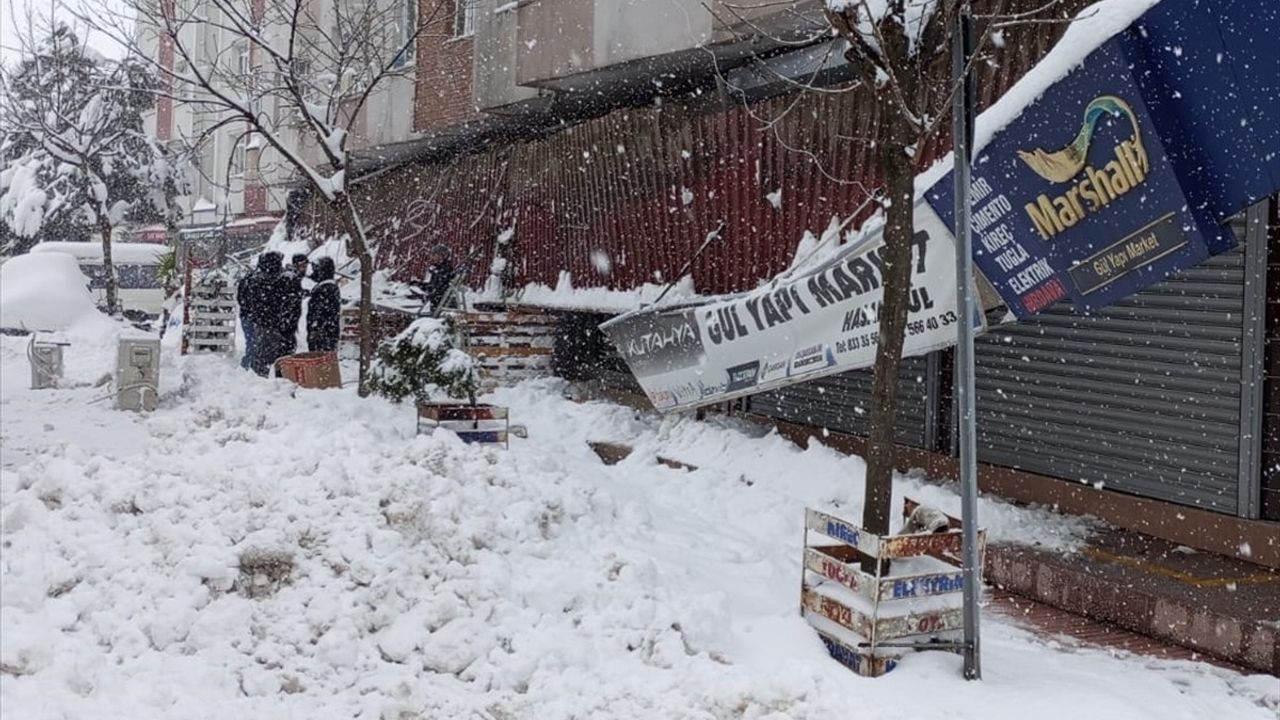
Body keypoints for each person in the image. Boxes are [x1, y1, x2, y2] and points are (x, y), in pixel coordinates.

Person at [240, 252, 296, 376]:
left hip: (261, 321)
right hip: (276, 322)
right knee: (278, 352)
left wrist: (253, 312)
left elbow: (245, 299)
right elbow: (290, 301)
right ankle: (278, 376)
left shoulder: (254, 280)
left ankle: (257, 374)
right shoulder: (284, 279)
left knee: (258, 349)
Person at [306, 257, 342, 353]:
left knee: (320, 357)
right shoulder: (328, 287)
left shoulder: (325, 289)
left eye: (316, 270)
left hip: (323, 334)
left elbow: (320, 312)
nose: (313, 273)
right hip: (327, 332)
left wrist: (315, 329)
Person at [411, 244, 456, 313]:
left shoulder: (443, 270)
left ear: (442, 256)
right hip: (438, 299)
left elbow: (434, 288)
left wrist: (419, 285)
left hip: (437, 301)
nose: (432, 256)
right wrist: (418, 284)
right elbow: (435, 286)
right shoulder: (443, 268)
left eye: (434, 254)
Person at [280, 253, 308, 356]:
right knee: (288, 343)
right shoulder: (291, 277)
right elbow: (289, 296)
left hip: (289, 318)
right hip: (287, 319)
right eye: (303, 266)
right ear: (296, 264)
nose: (305, 269)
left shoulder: (293, 275)